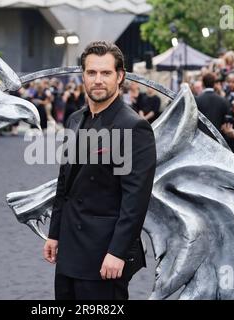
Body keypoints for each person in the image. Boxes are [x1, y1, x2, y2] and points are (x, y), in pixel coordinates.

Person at [43, 41, 156, 300]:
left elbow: (135, 200)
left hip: (105, 255)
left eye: (106, 73)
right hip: (70, 249)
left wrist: (118, 252)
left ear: (120, 76)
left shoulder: (134, 127)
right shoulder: (74, 119)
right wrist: (54, 233)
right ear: (83, 75)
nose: (98, 80)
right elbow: (65, 183)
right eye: (91, 73)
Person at [195, 72, 230, 139]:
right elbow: (226, 119)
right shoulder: (222, 100)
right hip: (218, 137)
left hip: (201, 137)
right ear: (214, 84)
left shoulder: (197, 100)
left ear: (202, 84)